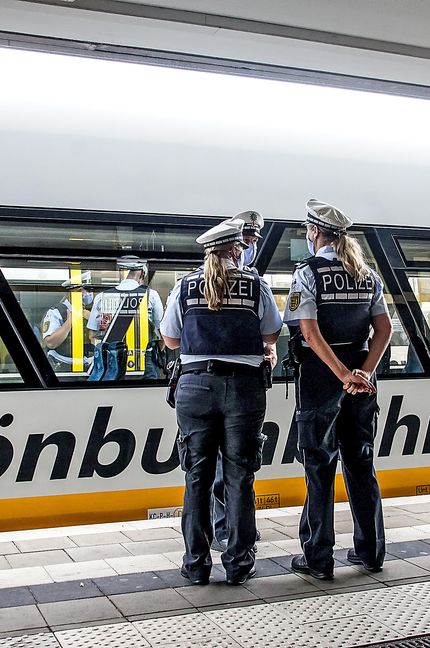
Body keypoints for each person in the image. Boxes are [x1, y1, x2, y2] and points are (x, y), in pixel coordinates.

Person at [161, 219, 282, 586]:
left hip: (195, 387)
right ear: (235, 249)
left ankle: (196, 564)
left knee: (196, 477)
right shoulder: (255, 284)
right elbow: (272, 332)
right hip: (244, 389)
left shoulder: (184, 287)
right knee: (239, 478)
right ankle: (239, 564)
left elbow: (169, 338)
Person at [284, 199, 392, 580]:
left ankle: (319, 557)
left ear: (314, 232)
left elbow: (308, 333)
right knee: (361, 463)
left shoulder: (307, 274)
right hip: (364, 379)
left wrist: (342, 374)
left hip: (321, 378)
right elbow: (384, 330)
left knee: (319, 465)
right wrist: (363, 372)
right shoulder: (368, 275)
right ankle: (371, 551)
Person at [210, 211, 271, 552]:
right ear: (233, 245)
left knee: (238, 463)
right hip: (224, 381)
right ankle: (225, 529)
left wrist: (267, 349)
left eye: (254, 241)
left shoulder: (251, 278)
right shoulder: (212, 278)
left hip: (239, 380)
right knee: (224, 464)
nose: (251, 246)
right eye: (247, 241)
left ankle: (235, 528)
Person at [87, 256, 164, 380]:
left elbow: (92, 335)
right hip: (145, 360)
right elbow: (162, 333)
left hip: (111, 362)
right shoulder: (151, 295)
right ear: (142, 274)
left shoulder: (102, 296)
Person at [42, 272, 95, 373]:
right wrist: (70, 320)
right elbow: (50, 343)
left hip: (88, 364)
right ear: (72, 293)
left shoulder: (91, 310)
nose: (87, 293)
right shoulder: (56, 311)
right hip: (63, 366)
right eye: (83, 290)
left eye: (89, 290)